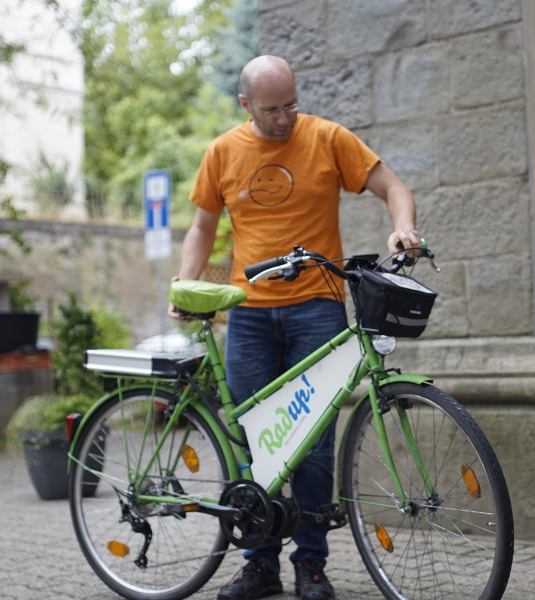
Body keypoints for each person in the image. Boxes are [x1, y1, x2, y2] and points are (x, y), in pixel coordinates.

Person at [171, 55, 421, 600]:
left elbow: (393, 187)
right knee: (254, 439)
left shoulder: (328, 139)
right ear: (245, 105)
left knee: (312, 441)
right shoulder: (222, 152)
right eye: (271, 110)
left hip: (318, 309)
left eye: (291, 105)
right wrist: (185, 287)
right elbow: (202, 226)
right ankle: (258, 563)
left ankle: (311, 563)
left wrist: (403, 227)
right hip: (249, 313)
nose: (284, 118)